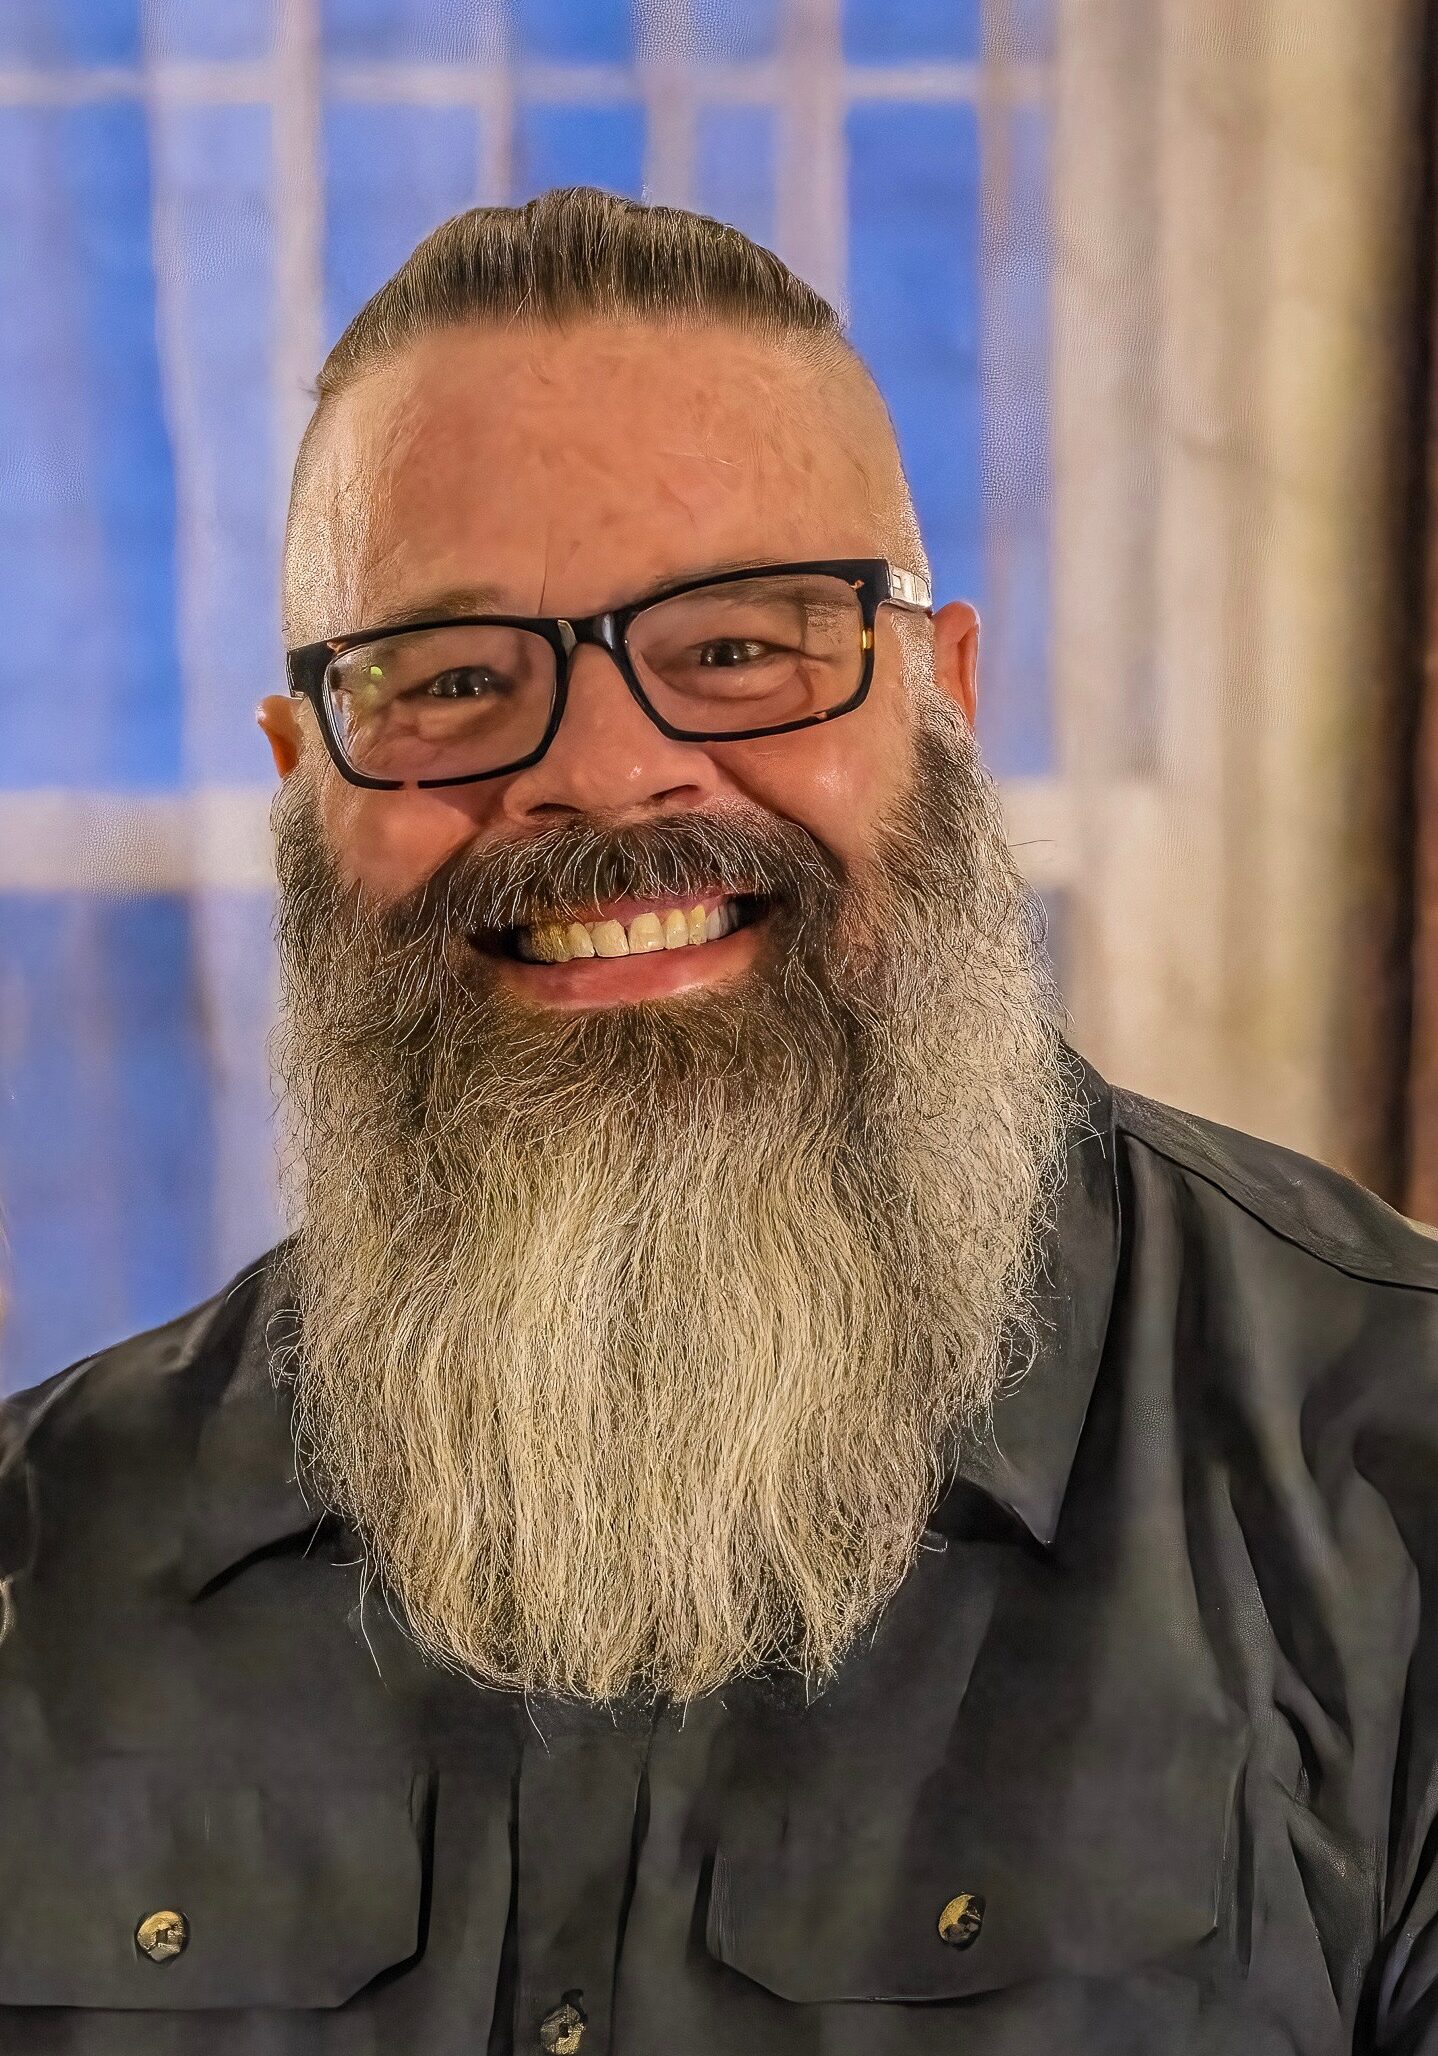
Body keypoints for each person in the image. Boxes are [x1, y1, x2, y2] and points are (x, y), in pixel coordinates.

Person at [1, 185, 1436, 2056]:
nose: (601, 773)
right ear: (302, 788)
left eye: (743, 650)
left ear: (944, 699)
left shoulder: (1391, 1488)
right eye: (447, 684)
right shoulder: (42, 1555)